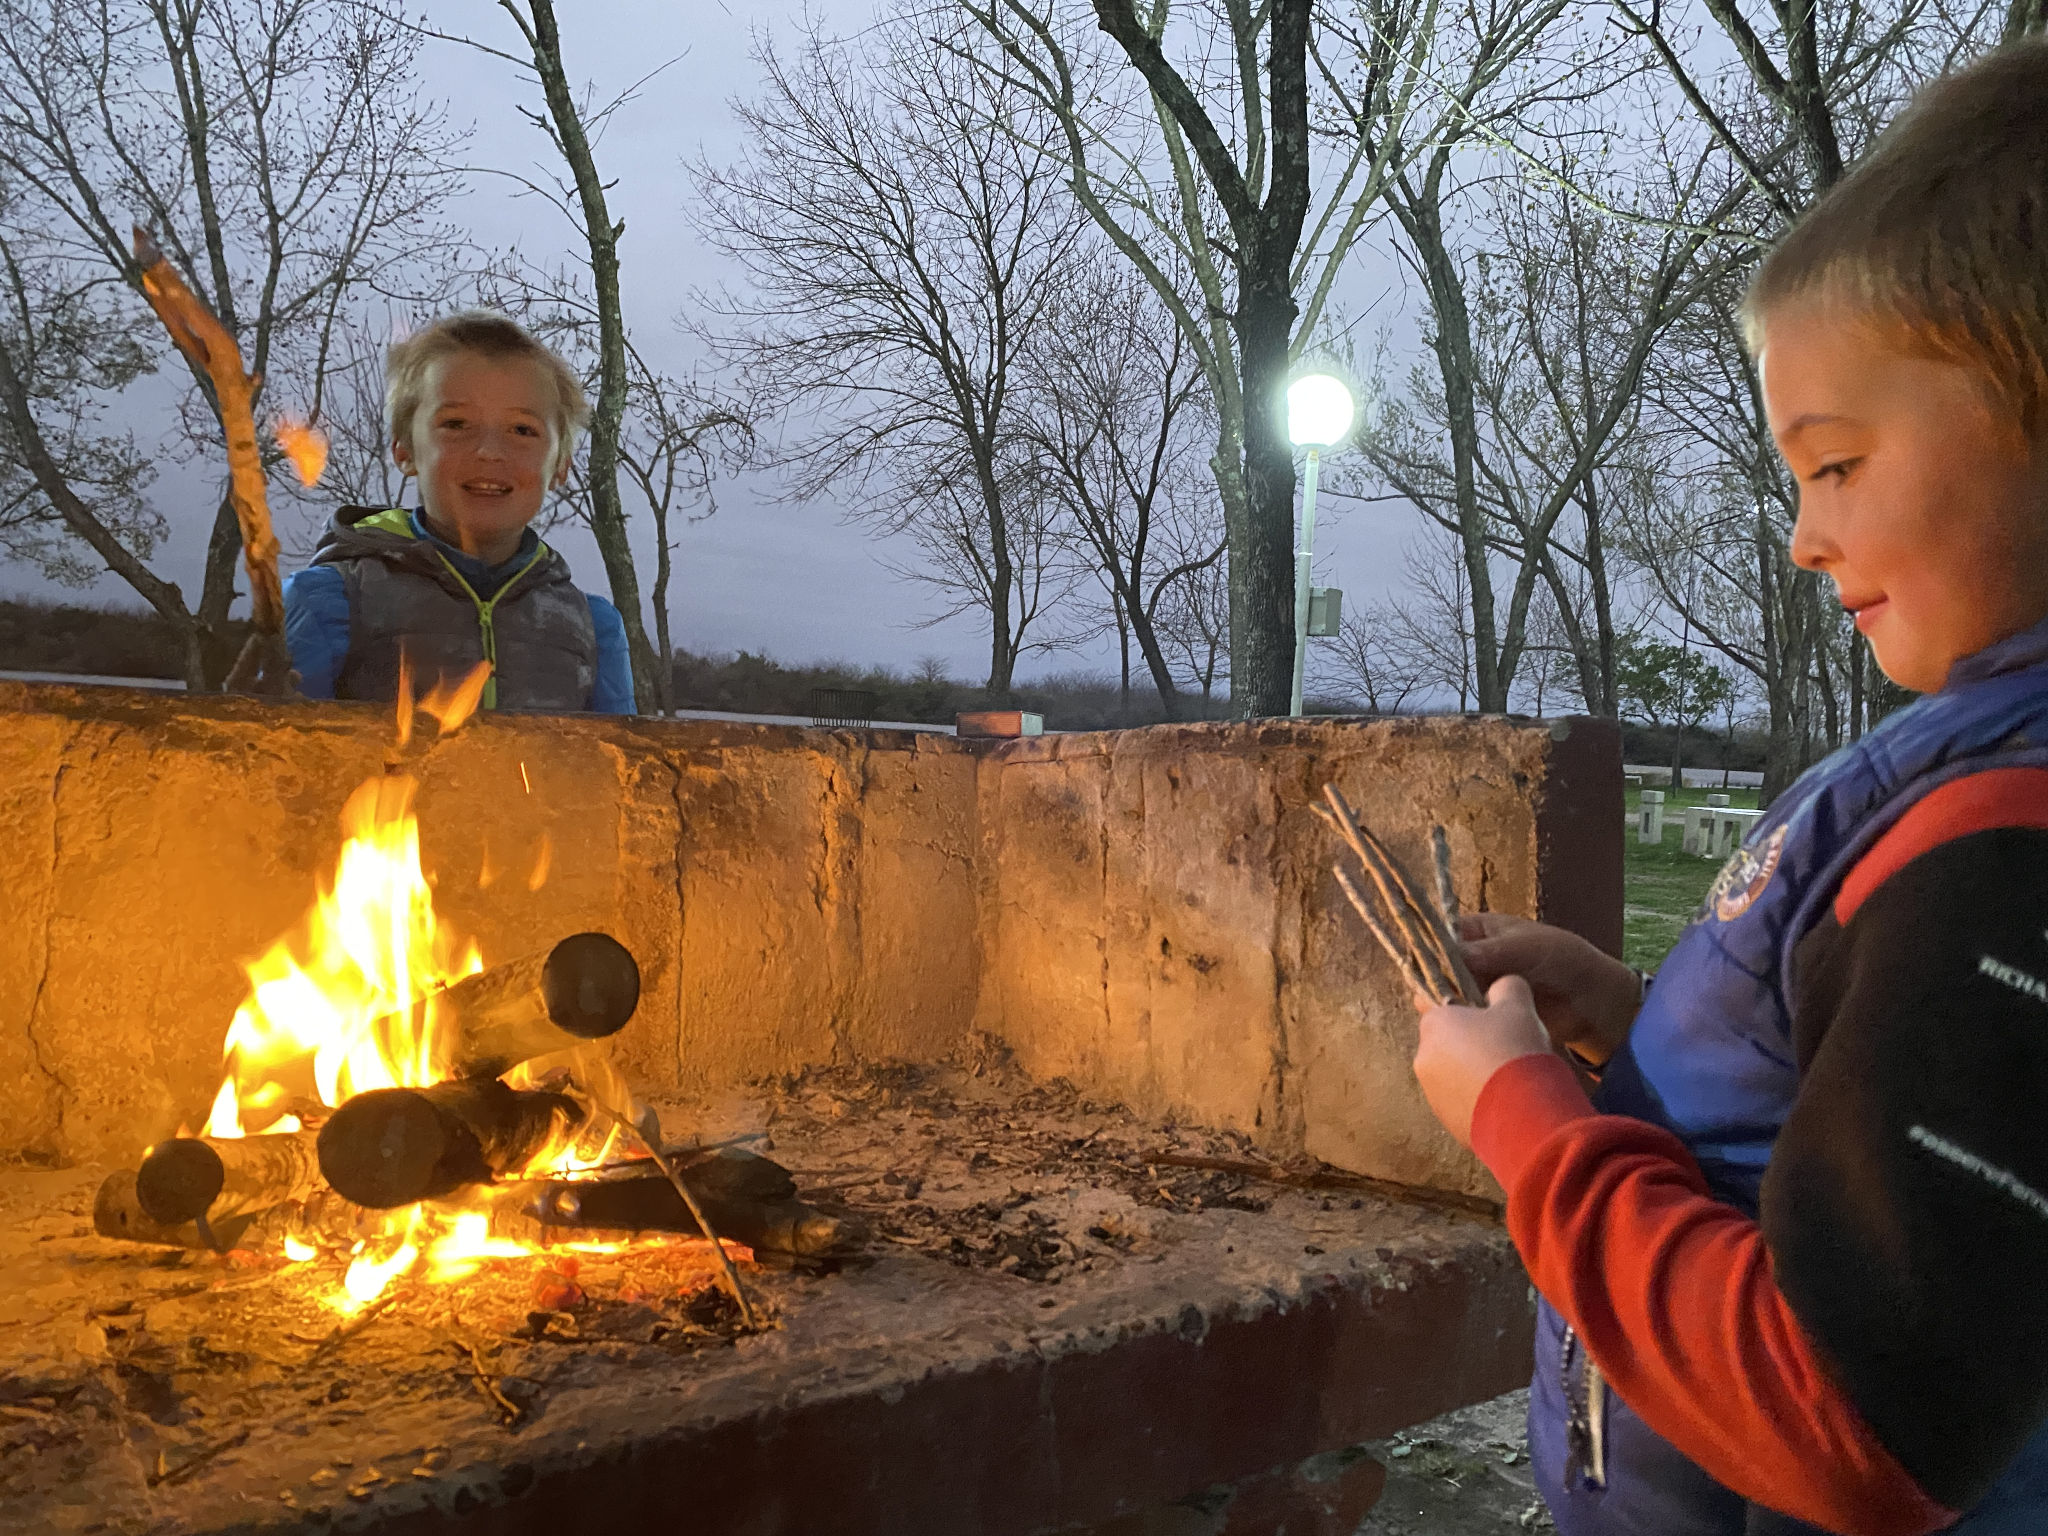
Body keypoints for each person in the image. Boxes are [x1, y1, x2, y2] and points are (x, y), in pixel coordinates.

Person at [1406, 40, 2048, 1536]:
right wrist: (1632, 1026)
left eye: (1833, 467)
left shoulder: (2005, 840)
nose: (1802, 540)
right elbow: (1873, 1117)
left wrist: (1533, 1136)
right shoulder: (1969, 791)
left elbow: (1858, 1424)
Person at [283, 310, 635, 713]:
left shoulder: (592, 628)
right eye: (456, 424)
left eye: (522, 430)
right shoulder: (329, 601)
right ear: (405, 450)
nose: (488, 451)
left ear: (560, 466)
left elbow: (619, 767)